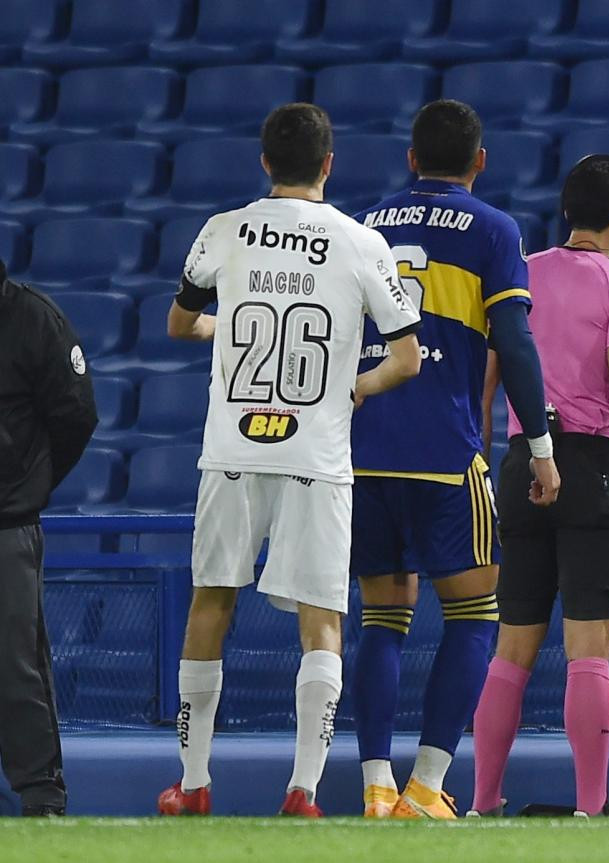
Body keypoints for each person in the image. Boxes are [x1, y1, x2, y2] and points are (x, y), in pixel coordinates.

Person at [156, 103, 423, 818]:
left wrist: (224, 326)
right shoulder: (361, 242)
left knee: (211, 600)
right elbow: (407, 357)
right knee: (322, 617)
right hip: (316, 451)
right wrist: (352, 388)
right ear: (328, 164)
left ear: (264, 163)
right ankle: (302, 789)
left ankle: (194, 781)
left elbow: (180, 322)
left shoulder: (224, 230)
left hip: (234, 448)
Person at [349, 99, 560, 820]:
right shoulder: (495, 229)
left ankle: (376, 784)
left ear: (410, 160)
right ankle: (427, 785)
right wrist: (540, 447)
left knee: (381, 619)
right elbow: (517, 344)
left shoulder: (366, 225)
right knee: (474, 615)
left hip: (365, 450)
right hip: (445, 452)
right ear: (479, 162)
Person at [471, 159, 609, 818]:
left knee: (511, 646)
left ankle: (483, 803)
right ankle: (592, 811)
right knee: (588, 645)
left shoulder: (520, 273)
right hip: (593, 470)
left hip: (518, 462)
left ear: (568, 212)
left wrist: (484, 462)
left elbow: (486, 382)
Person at [0, 260, 97, 817]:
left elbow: (76, 416)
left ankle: (41, 798)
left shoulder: (34, 319)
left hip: (6, 527)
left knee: (16, 666)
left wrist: (25, 484)